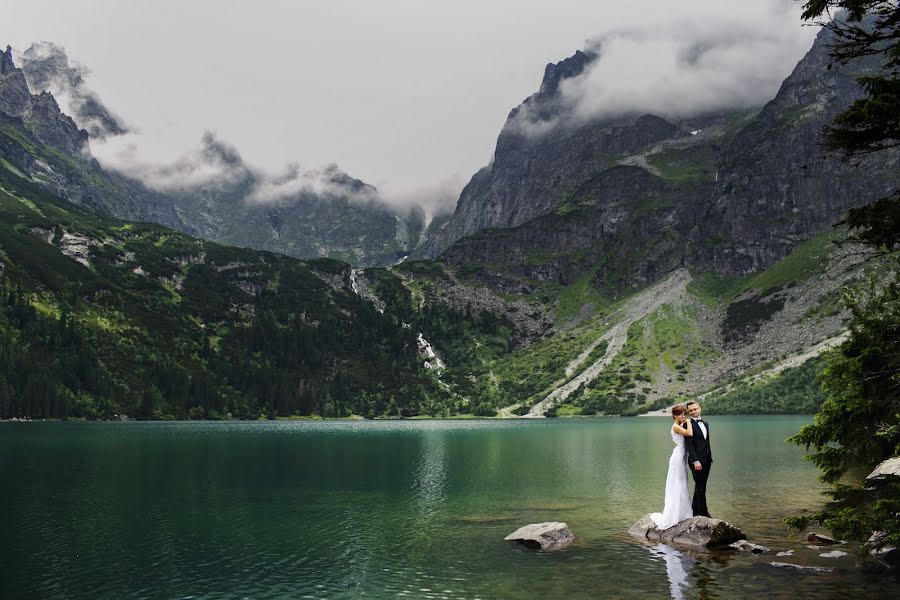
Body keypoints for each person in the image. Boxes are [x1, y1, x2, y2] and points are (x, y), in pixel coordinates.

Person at [649, 404, 694, 530]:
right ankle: (676, 514)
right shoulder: (676, 426)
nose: (682, 416)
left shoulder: (678, 425)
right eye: (680, 414)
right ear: (674, 415)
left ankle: (682, 512)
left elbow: (679, 441)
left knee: (681, 483)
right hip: (677, 459)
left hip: (679, 455)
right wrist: (689, 421)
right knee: (678, 483)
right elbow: (689, 433)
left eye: (684, 414)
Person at [684, 399, 712, 518]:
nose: (694, 412)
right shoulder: (687, 424)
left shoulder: (705, 424)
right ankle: (704, 513)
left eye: (695, 409)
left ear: (699, 408)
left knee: (701, 486)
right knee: (701, 487)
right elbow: (689, 445)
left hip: (707, 460)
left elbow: (706, 442)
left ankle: (695, 510)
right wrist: (696, 461)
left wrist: (709, 457)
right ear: (689, 412)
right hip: (696, 462)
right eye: (691, 410)